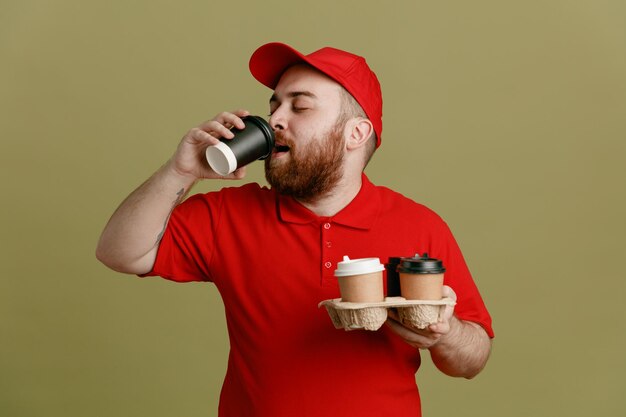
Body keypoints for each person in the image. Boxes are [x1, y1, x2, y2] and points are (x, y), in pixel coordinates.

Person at [96, 42, 494, 417]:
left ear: (355, 133)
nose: (275, 120)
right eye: (274, 105)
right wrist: (179, 171)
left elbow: (472, 360)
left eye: (299, 107)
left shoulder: (418, 225)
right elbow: (119, 252)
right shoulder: (228, 214)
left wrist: (445, 333)